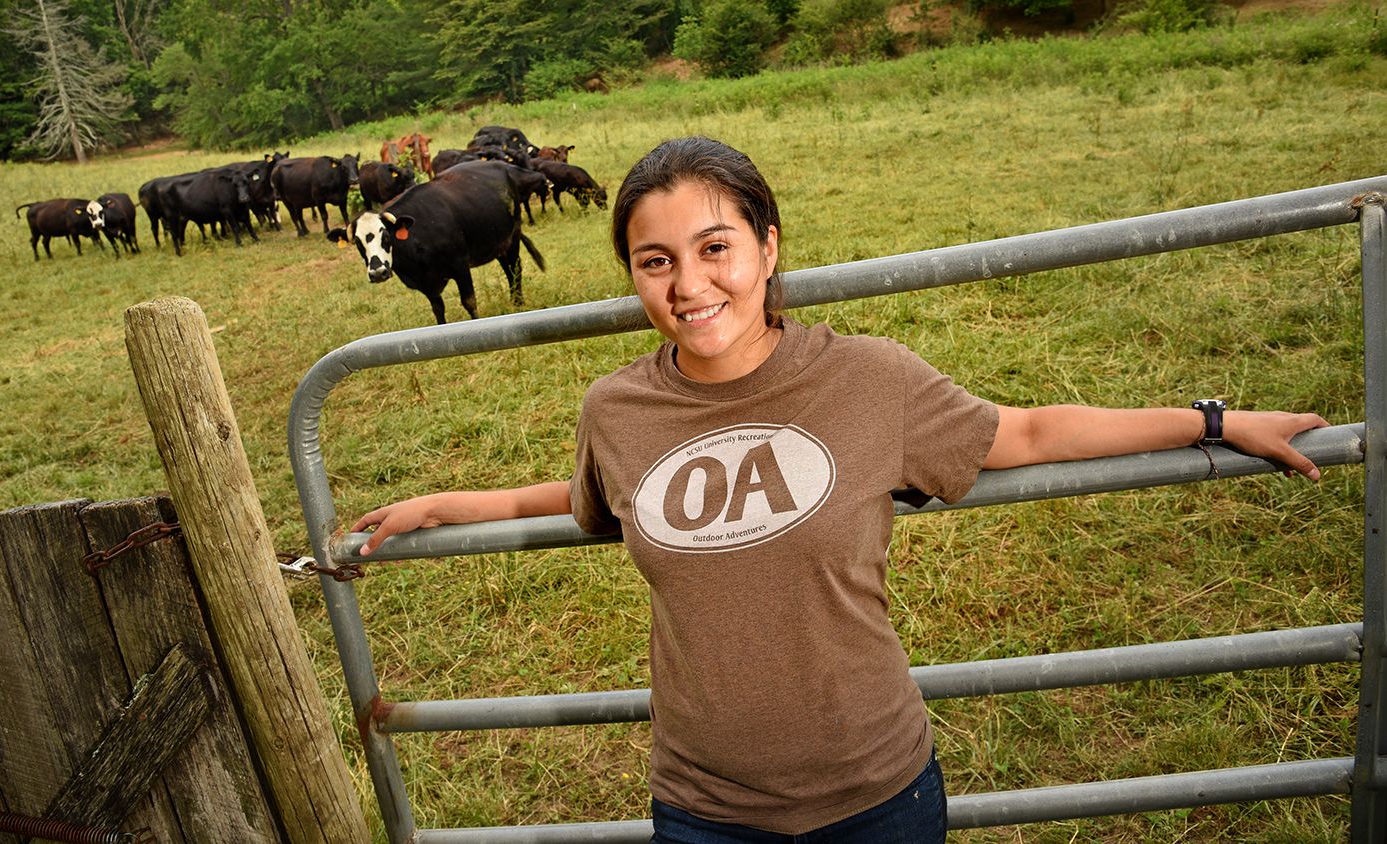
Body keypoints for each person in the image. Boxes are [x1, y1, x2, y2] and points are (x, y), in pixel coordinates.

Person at [352, 136, 1328, 843]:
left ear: (768, 246)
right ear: (635, 278)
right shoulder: (617, 407)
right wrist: (440, 507)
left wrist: (1213, 420)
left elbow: (1026, 431)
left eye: (714, 247)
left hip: (877, 798)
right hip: (702, 809)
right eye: (656, 262)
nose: (688, 284)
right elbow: (581, 497)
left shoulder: (869, 380)